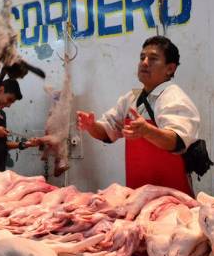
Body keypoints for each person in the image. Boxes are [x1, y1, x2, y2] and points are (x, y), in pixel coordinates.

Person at [76, 36, 200, 195]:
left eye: (153, 59)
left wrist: (147, 131)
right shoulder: (131, 98)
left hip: (172, 198)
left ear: (170, 68)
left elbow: (177, 141)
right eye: (142, 57)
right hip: (138, 194)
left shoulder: (174, 98)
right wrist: (91, 126)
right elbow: (107, 131)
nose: (144, 62)